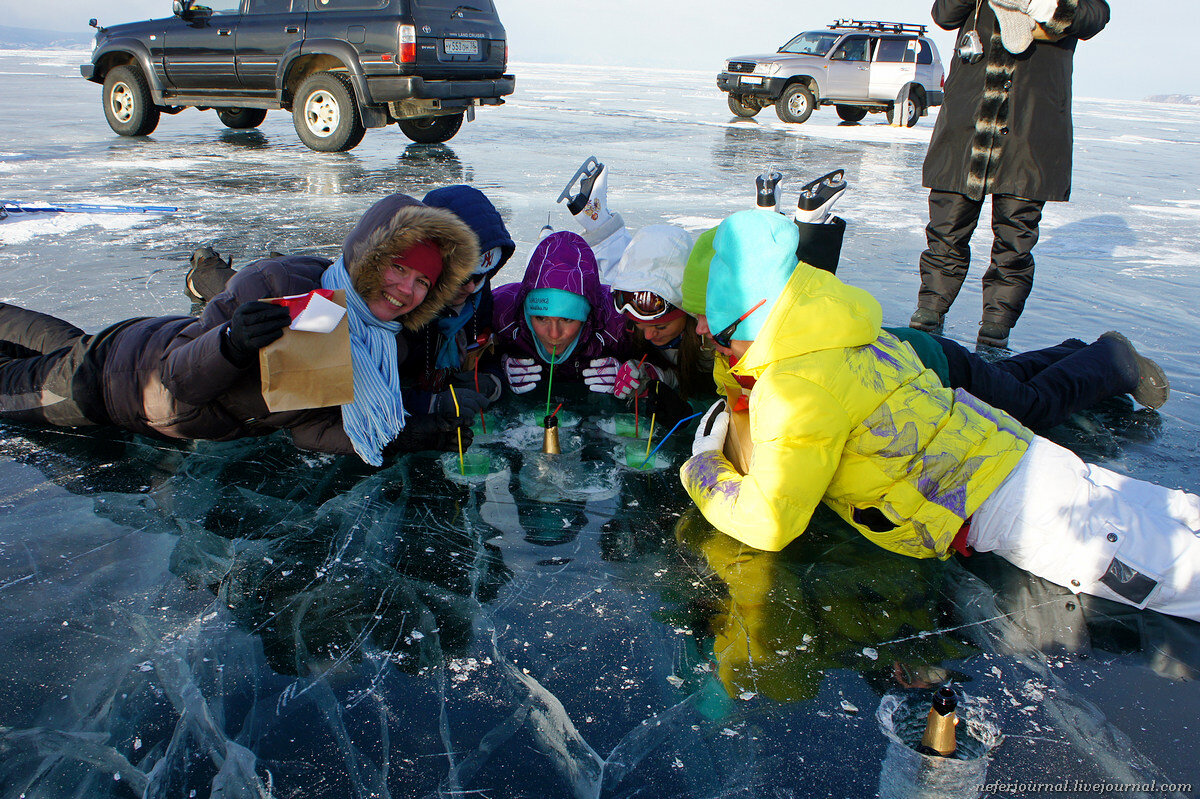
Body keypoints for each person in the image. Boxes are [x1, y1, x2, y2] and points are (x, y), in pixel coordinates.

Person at [681, 209, 1200, 622]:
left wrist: (704, 468)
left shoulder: (796, 384)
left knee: (1179, 576)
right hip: (1024, 467)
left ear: (752, 311)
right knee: (1177, 516)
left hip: (1022, 511)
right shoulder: (825, 333)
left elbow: (768, 522)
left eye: (721, 332)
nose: (708, 340)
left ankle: (1108, 362)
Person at [0, 193, 478, 466]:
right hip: (111, 384)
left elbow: (308, 426)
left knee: (68, 345)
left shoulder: (377, 345)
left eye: (423, 282)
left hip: (135, 352)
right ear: (370, 255)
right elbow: (178, 379)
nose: (406, 290)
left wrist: (405, 436)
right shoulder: (282, 284)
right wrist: (233, 344)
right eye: (399, 267)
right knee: (26, 380)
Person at [909, 0, 1111, 348]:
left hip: (1030, 124)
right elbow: (944, 15)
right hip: (967, 122)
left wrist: (1042, 7)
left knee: (1015, 238)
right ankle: (928, 315)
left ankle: (995, 332)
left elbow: (1095, 16)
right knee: (946, 227)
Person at [400, 185, 516, 420]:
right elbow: (367, 392)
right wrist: (431, 404)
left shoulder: (476, 296)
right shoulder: (399, 305)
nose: (471, 287)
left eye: (479, 277)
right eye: (461, 278)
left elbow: (488, 352)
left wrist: (491, 382)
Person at [492, 230, 630, 396]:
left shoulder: (618, 321)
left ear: (587, 316)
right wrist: (497, 367)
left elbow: (658, 363)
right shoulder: (500, 312)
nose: (554, 334)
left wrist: (626, 371)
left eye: (567, 319)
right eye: (541, 318)